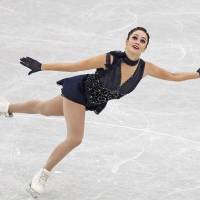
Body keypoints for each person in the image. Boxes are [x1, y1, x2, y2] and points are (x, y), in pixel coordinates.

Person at [0, 27, 200, 198]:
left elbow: (173, 76)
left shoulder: (145, 68)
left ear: (145, 47)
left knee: (43, 108)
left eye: (142, 40)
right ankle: (43, 173)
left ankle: (6, 107)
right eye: (134, 37)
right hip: (78, 92)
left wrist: (197, 75)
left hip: (89, 102)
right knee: (75, 139)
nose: (138, 41)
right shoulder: (110, 59)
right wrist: (42, 66)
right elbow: (76, 65)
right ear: (126, 41)